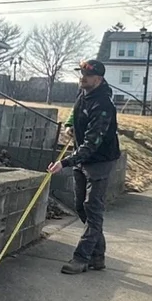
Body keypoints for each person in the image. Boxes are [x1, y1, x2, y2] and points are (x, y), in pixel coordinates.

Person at [48, 58, 120, 274]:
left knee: (93, 209)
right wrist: (70, 126)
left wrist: (65, 162)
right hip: (83, 158)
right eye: (81, 74)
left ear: (98, 79)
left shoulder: (103, 105)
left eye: (87, 76)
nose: (82, 78)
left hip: (100, 161)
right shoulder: (84, 94)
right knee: (80, 206)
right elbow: (75, 112)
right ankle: (97, 256)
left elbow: (92, 143)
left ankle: (81, 258)